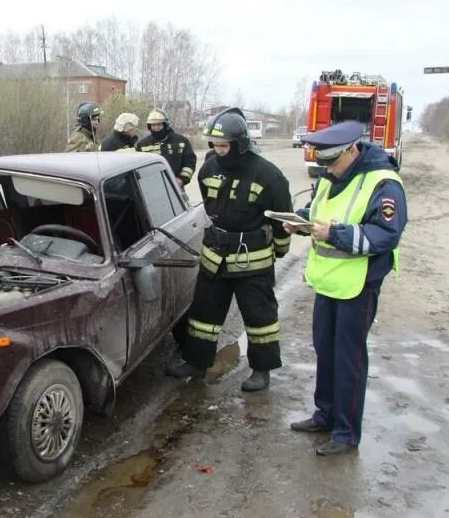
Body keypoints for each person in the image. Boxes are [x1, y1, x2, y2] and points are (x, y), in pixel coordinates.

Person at [288, 121, 408, 456]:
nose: (328, 169)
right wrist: (298, 222)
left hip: (359, 285)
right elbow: (317, 214)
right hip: (328, 282)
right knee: (325, 350)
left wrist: (334, 235)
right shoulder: (331, 177)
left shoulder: (384, 183)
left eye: (332, 161)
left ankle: (345, 432)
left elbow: (386, 234)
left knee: (349, 359)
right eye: (323, 163)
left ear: (352, 151)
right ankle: (325, 414)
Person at [166, 107, 293, 392]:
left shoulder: (269, 175)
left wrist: (280, 250)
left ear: (240, 143)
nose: (218, 150)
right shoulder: (209, 169)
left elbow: (283, 219)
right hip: (215, 256)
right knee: (203, 314)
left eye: (224, 145)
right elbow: (210, 209)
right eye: (215, 145)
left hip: (253, 260)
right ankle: (196, 362)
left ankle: (261, 370)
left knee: (259, 317)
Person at [135, 109, 196, 189]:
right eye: (153, 125)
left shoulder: (181, 141)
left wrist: (181, 179)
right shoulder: (142, 144)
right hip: (151, 189)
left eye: (159, 125)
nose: (156, 128)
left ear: (166, 125)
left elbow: (190, 163)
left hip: (176, 187)